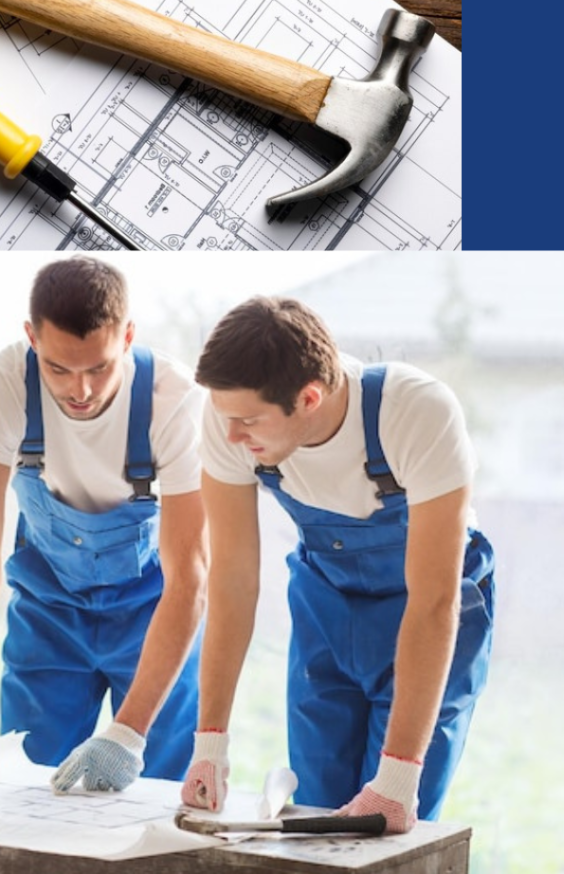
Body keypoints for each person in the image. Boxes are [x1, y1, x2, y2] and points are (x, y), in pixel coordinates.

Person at [0, 257, 208, 795]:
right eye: (59, 369)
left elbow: (191, 580)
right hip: (48, 614)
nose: (79, 390)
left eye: (99, 368)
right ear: (31, 337)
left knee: (156, 794)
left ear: (128, 337)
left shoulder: (175, 404)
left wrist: (127, 733)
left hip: (155, 615)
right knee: (29, 787)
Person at [181, 296, 495, 833]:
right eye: (224, 416)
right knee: (318, 815)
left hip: (426, 618)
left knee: (385, 827)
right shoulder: (229, 422)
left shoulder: (415, 413)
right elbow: (232, 580)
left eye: (248, 421)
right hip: (326, 609)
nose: (231, 437)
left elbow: (436, 600)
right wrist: (210, 742)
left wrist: (396, 781)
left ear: (308, 398)